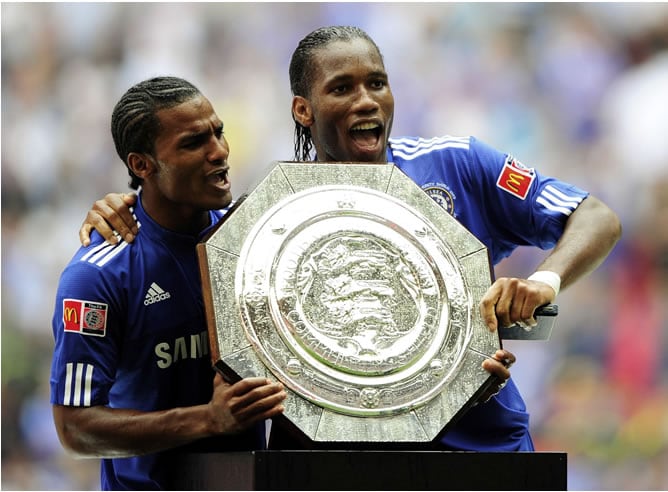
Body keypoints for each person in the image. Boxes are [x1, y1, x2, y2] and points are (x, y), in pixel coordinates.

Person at [78, 26, 622, 452]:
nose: (366, 101)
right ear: (302, 109)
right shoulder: (268, 219)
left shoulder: (458, 163)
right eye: (342, 88)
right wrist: (126, 209)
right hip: (335, 460)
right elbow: (176, 236)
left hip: (479, 445)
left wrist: (545, 281)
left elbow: (594, 216)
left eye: (376, 83)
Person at [50, 76, 287, 490]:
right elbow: (75, 427)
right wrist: (208, 420)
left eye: (219, 132)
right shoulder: (97, 276)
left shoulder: (256, 240)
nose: (220, 152)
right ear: (142, 165)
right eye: (193, 143)